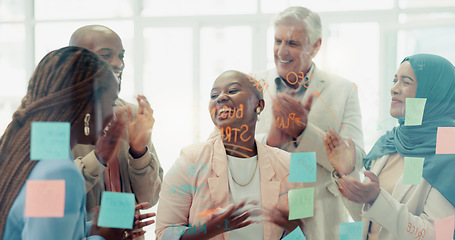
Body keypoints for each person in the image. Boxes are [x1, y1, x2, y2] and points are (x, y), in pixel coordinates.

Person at [0, 46, 154, 240]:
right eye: (111, 102)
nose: (115, 112)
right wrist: (104, 238)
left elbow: (42, 225)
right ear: (89, 106)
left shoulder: (35, 150)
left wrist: (92, 228)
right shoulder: (59, 172)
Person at [254, 6, 365, 239]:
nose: (282, 51)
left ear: (315, 46)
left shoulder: (343, 90)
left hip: (319, 218)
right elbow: (222, 147)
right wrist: (271, 140)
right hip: (262, 213)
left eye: (293, 43)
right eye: (277, 41)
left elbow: (355, 159)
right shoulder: (251, 85)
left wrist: (303, 133)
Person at [155, 70, 308, 240]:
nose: (220, 97)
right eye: (214, 95)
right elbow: (164, 233)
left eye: (232, 90)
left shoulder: (290, 165)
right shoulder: (189, 160)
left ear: (259, 105)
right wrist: (209, 229)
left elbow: (303, 231)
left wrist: (295, 227)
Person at [323, 54, 455, 239]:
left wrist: (377, 199)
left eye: (406, 82)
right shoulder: (390, 143)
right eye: (395, 81)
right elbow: (365, 218)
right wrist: (348, 172)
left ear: (432, 93)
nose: (394, 89)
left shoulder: (448, 153)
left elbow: (437, 235)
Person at [69, 25, 163, 218]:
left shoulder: (132, 113)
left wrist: (139, 153)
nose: (118, 63)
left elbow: (151, 198)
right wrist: (98, 158)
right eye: (106, 55)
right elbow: (44, 197)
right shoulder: (49, 120)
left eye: (121, 55)